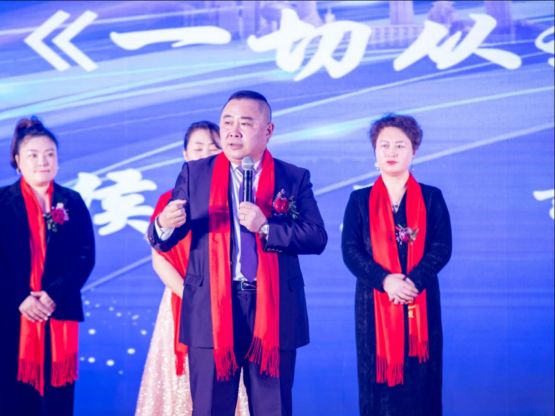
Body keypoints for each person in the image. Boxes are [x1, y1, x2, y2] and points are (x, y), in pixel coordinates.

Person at [148, 91, 327, 416]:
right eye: (227, 122)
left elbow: (316, 237)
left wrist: (266, 227)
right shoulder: (195, 174)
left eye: (245, 123)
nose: (233, 131)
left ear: (268, 131)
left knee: (273, 408)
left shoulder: (293, 177)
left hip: (273, 307)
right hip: (211, 307)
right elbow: (162, 241)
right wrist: (163, 224)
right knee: (210, 408)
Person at [0, 116, 95, 416]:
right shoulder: (0, 200)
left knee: (58, 399)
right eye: (33, 155)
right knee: (13, 397)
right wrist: (22, 299)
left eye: (50, 154)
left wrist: (54, 295)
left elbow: (85, 255)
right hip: (13, 312)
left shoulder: (72, 200)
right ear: (18, 161)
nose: (43, 161)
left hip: (59, 310)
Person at [136, 121, 250, 416]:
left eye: (213, 148)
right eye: (198, 148)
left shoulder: (239, 196)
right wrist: (194, 297)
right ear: (185, 154)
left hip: (231, 302)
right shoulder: (169, 200)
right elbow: (159, 258)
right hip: (183, 300)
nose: (205, 154)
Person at [341, 113, 452, 416]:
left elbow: (442, 247)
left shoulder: (431, 197)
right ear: (375, 152)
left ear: (414, 150)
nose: (391, 152)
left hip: (420, 300)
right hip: (374, 304)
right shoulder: (359, 201)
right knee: (377, 386)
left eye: (400, 145)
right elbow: (350, 251)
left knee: (422, 385)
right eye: (384, 145)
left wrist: (412, 282)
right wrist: (386, 280)